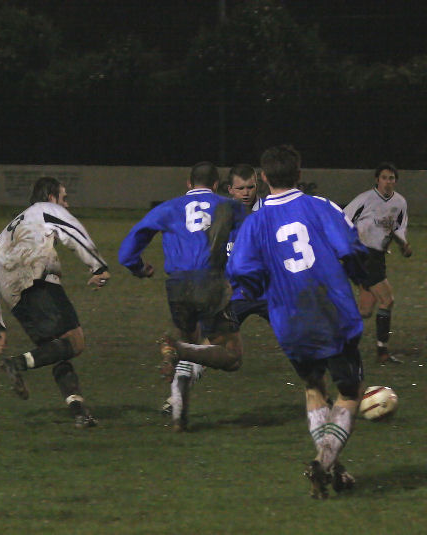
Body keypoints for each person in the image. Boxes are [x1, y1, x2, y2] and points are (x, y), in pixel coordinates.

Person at [227, 145, 367, 499]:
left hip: (289, 317)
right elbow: (349, 246)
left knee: (313, 387)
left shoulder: (254, 222)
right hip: (331, 310)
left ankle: (331, 466)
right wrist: (363, 283)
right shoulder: (319, 206)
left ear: (262, 178)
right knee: (350, 392)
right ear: (299, 174)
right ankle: (323, 461)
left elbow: (241, 269)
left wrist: (260, 286)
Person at [118, 162, 246, 432]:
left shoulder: (169, 207)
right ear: (215, 185)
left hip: (177, 285)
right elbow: (242, 243)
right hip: (211, 281)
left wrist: (138, 267)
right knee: (232, 356)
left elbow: (129, 246)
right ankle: (179, 349)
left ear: (188, 183)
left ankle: (179, 418)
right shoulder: (230, 206)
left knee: (186, 334)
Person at [0, 176, 110, 428]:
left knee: (55, 351)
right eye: (64, 198)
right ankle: (15, 364)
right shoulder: (46, 210)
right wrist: (98, 266)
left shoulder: (7, 231)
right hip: (38, 280)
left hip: (14, 295)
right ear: (51, 198)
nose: (66, 205)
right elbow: (73, 231)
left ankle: (79, 411)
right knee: (75, 342)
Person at [161, 164, 270, 415]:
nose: (246, 193)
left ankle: (321, 392)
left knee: (295, 335)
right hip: (232, 293)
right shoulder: (220, 213)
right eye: (240, 188)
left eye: (251, 187)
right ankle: (176, 398)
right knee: (209, 346)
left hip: (267, 290)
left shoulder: (268, 212)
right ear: (229, 189)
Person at [343, 162, 411, 365]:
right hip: (363, 255)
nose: (388, 182)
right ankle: (382, 352)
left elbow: (398, 228)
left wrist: (404, 244)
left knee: (365, 311)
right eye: (384, 178)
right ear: (377, 179)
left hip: (378, 257)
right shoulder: (366, 199)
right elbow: (343, 218)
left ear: (395, 181)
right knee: (387, 299)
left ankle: (332, 331)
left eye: (391, 178)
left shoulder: (400, 202)